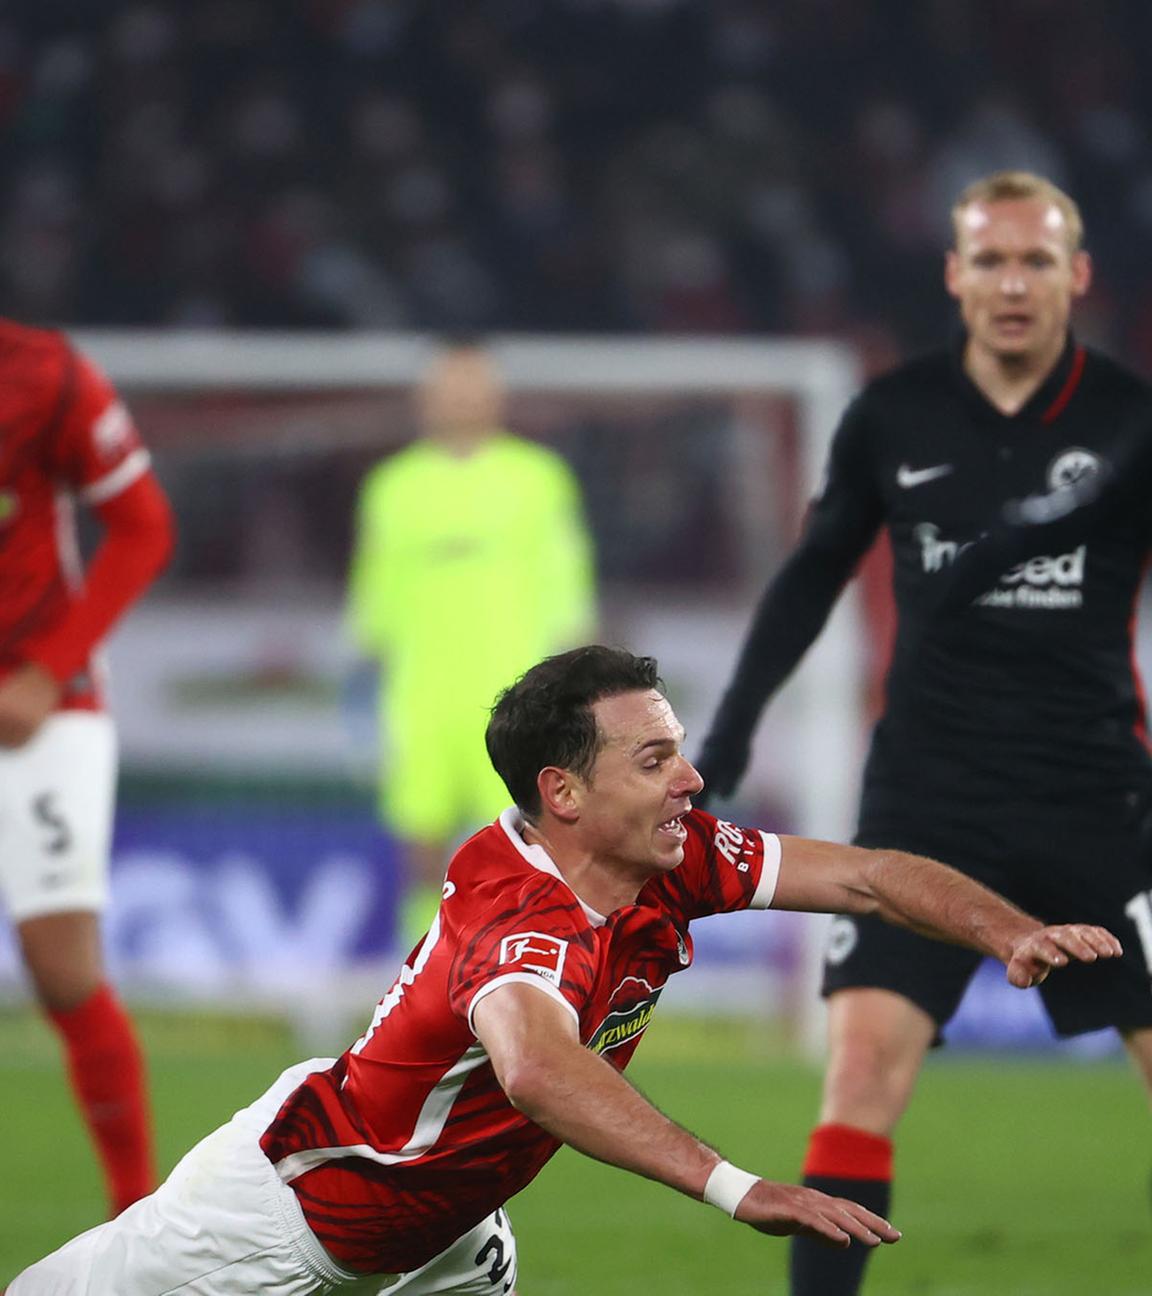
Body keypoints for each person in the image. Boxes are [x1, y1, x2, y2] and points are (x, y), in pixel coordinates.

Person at [9, 644, 1122, 1295]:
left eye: (678, 748)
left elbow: (870, 878)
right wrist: (742, 1190)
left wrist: (1005, 933)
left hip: (444, 1233)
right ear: (565, 794)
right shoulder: (519, 915)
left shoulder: (673, 855)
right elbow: (538, 1066)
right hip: (290, 1208)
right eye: (656, 759)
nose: (691, 778)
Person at [694, 169, 1152, 1296]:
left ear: (1077, 277)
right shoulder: (892, 416)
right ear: (954, 275)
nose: (1011, 282)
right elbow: (809, 581)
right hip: (925, 801)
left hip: (1100, 800)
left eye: (1036, 260)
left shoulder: (1133, 420)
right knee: (859, 1079)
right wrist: (734, 736)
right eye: (989, 259)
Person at [0, 320, 175, 1217]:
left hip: (40, 711)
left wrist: (46, 667)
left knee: (63, 970)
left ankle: (133, 1215)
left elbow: (142, 526)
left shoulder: (45, 375)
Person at [346, 339, 596, 949]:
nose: (459, 399)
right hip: (421, 697)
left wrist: (572, 687)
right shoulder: (392, 486)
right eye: (447, 388)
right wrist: (359, 695)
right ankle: (421, 984)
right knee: (420, 848)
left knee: (523, 845)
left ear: (495, 398)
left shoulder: (537, 479)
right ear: (424, 400)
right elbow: (370, 606)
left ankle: (525, 978)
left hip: (517, 698)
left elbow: (570, 597)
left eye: (472, 387)